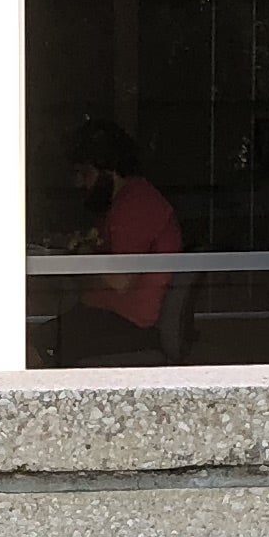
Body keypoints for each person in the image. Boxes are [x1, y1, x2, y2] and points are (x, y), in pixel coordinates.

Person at [50, 120, 181, 365]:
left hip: (125, 321)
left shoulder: (136, 205)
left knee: (24, 349)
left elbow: (119, 280)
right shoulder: (125, 202)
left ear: (107, 170)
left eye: (85, 173)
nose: (79, 183)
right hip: (105, 313)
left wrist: (82, 252)